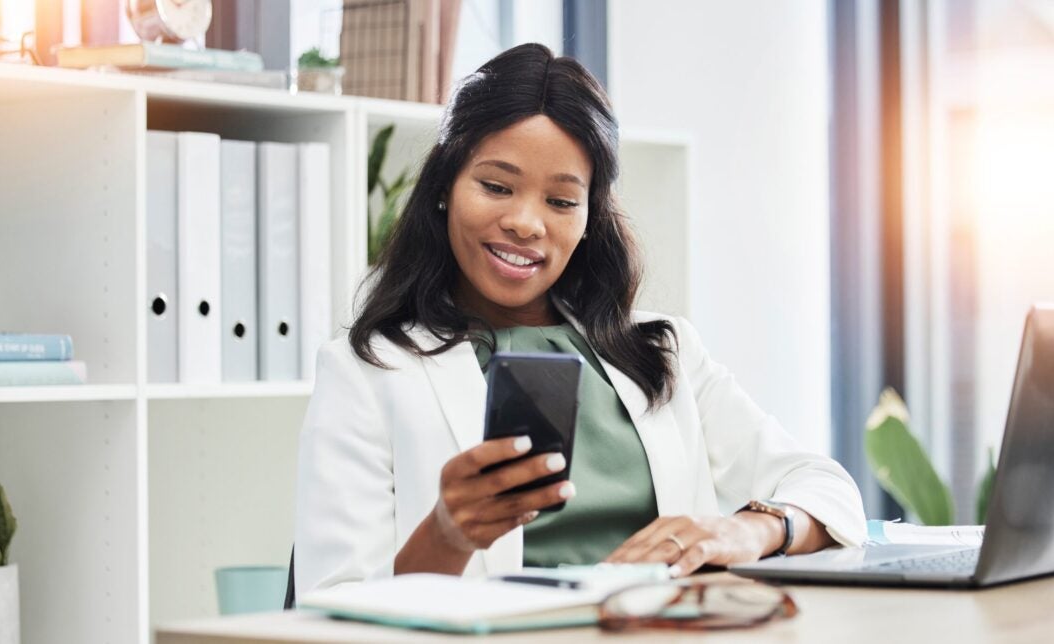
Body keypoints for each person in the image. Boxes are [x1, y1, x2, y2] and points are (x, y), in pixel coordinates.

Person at [294, 43, 866, 593]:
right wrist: (447, 533)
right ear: (445, 186)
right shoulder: (365, 370)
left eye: (561, 201)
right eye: (496, 186)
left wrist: (748, 528)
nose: (526, 222)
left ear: (591, 216)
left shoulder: (661, 351)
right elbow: (332, 609)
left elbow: (827, 489)